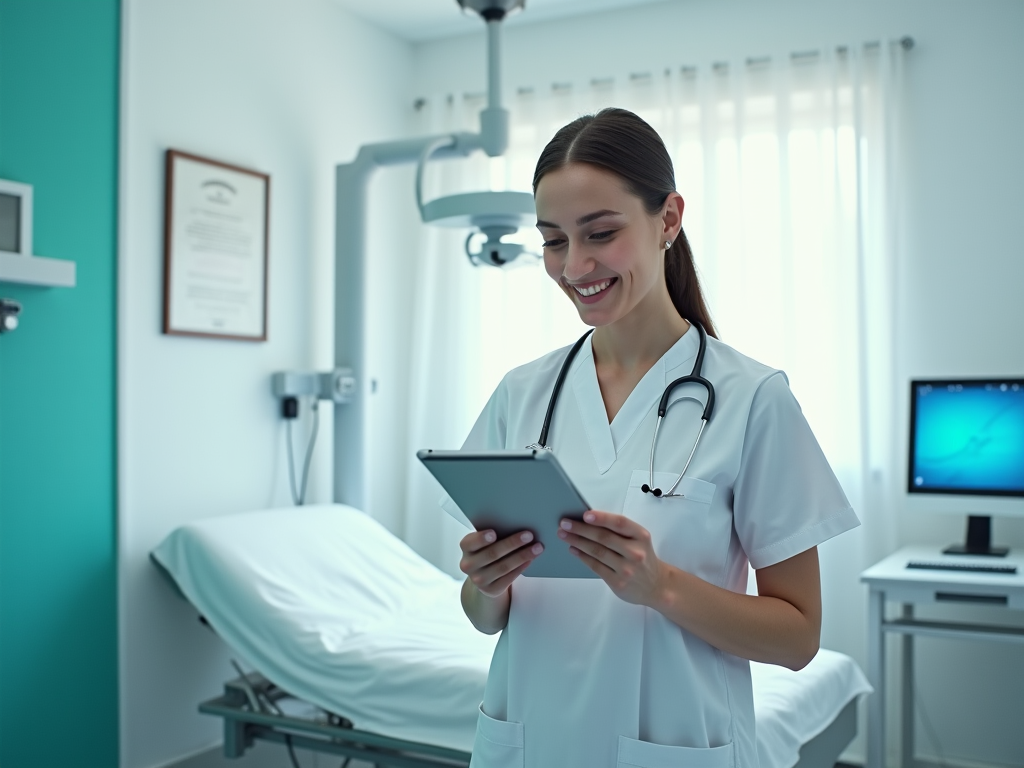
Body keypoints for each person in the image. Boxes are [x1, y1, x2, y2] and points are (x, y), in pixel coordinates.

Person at [450, 107, 859, 768]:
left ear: (668, 218)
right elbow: (482, 615)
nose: (574, 265)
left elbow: (798, 638)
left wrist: (661, 586)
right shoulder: (520, 394)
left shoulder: (752, 400)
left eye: (601, 233)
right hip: (526, 744)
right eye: (553, 240)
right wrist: (486, 584)